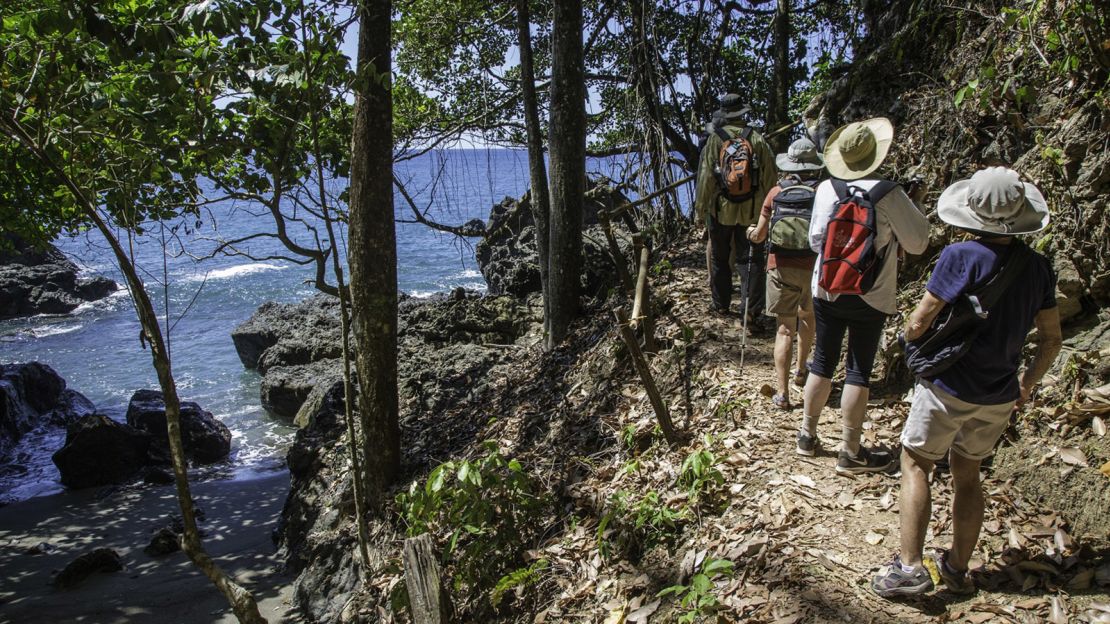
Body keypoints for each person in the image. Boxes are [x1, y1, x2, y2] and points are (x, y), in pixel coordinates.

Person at [871, 167, 1062, 597]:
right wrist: (1026, 383)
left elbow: (921, 319)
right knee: (968, 473)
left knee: (917, 462)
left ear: (972, 210)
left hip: (947, 387)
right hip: (997, 394)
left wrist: (909, 337)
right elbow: (1051, 339)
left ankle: (909, 568)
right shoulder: (1039, 268)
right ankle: (957, 569)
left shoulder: (961, 256)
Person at [797, 117, 929, 471]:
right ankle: (850, 450)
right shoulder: (890, 193)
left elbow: (814, 241)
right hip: (871, 292)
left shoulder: (828, 188)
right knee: (858, 369)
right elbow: (918, 242)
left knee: (822, 360)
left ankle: (807, 436)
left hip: (827, 289)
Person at [746, 138, 825, 409]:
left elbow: (759, 235)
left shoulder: (775, 193)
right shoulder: (823, 193)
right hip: (814, 267)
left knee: (784, 329)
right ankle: (801, 371)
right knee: (808, 318)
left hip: (780, 266)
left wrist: (750, 233)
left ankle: (782, 393)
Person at [694, 93, 777, 319]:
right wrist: (769, 209)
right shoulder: (756, 139)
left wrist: (700, 210)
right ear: (742, 113)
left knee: (720, 258)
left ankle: (721, 304)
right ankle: (751, 311)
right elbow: (770, 177)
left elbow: (705, 179)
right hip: (752, 211)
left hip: (721, 211)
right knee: (751, 260)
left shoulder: (715, 140)